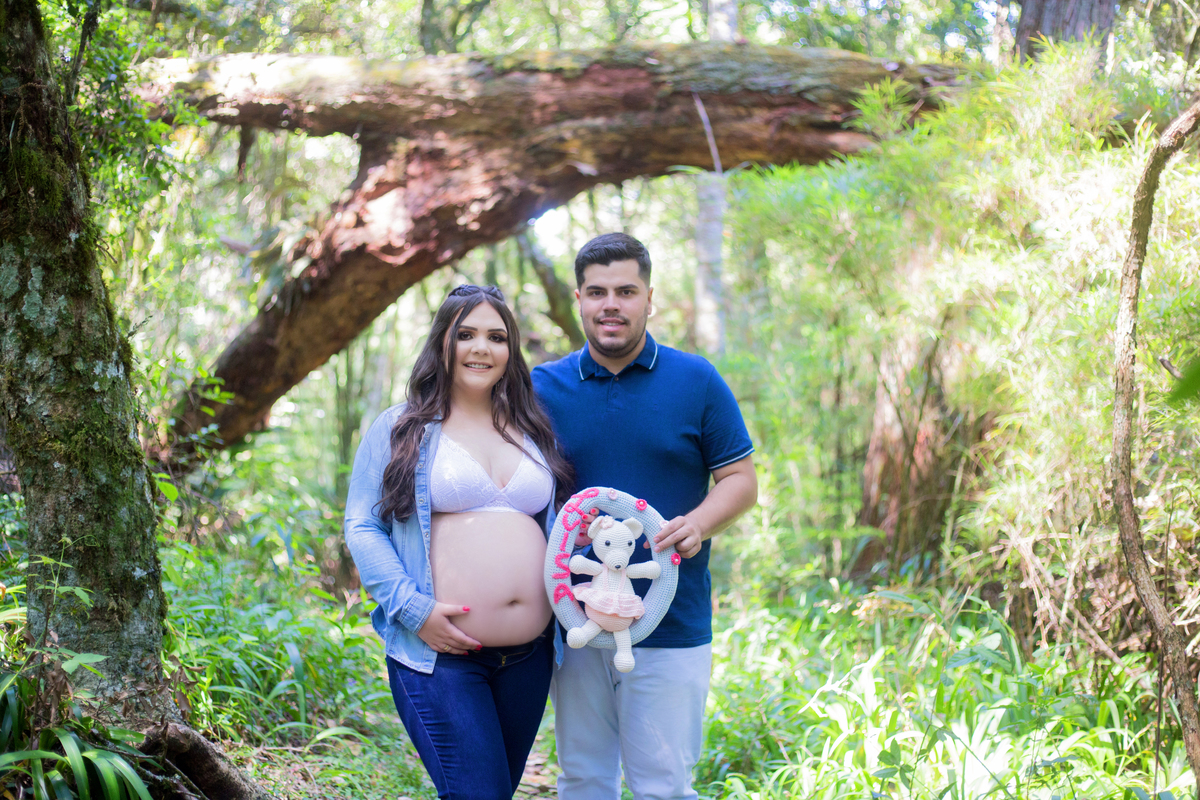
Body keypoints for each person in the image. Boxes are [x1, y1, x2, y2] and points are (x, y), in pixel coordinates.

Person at [531, 233, 759, 800]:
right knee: (583, 779)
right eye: (598, 292)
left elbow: (741, 481)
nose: (612, 304)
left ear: (649, 298)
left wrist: (700, 523)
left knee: (663, 787)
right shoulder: (541, 388)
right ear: (580, 299)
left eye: (626, 291)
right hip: (574, 622)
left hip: (671, 620)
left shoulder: (696, 380)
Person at [344, 284, 573, 800]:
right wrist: (413, 609)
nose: (480, 348)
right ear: (442, 343)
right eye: (465, 334)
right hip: (440, 655)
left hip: (530, 657)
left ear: (510, 351)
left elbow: (560, 529)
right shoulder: (401, 427)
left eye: (496, 336)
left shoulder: (533, 429)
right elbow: (362, 525)